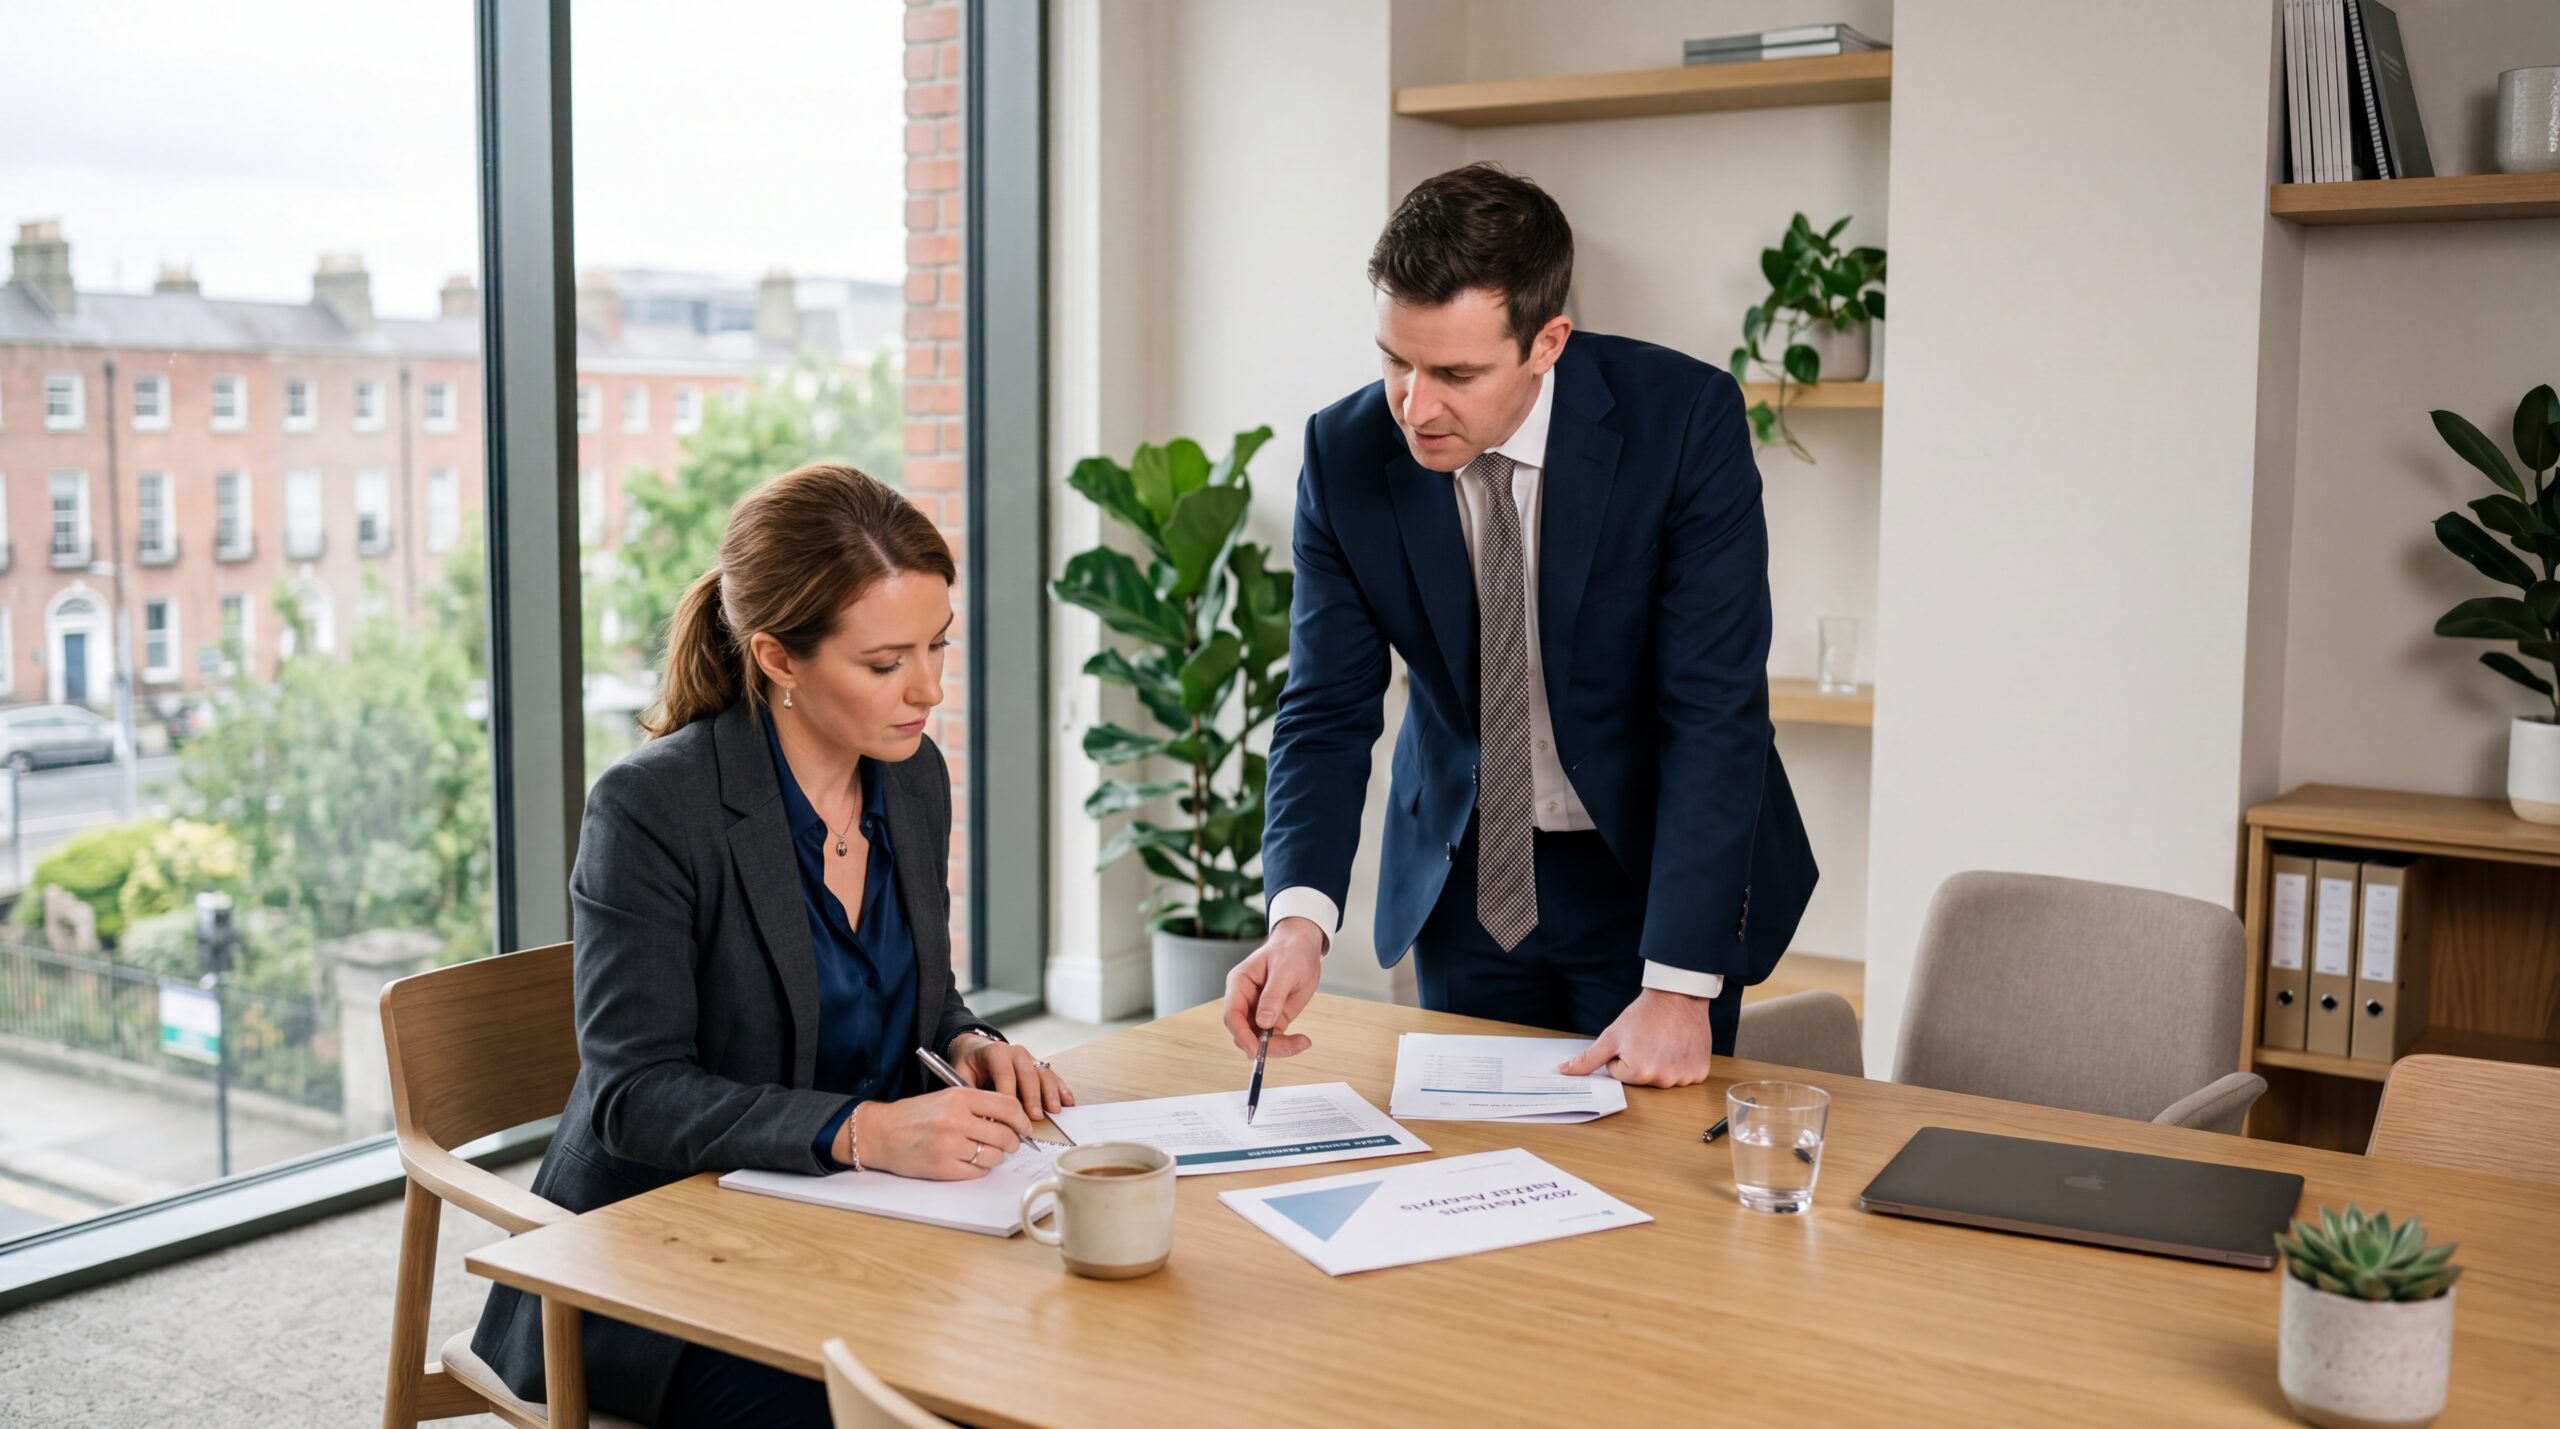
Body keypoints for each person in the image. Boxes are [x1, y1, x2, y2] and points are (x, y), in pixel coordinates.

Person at [472, 463, 1070, 1427]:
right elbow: (633, 1094)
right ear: (779, 658)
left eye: (938, 647)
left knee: (1052, 1350)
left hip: (856, 1220)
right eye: (885, 663)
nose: (928, 689)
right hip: (670, 1262)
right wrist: (863, 1130)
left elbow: (916, 992)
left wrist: (966, 1044)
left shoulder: (912, 778)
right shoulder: (652, 809)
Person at [1224, 163, 1817, 1087]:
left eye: (1456, 372)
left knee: (1654, 1194)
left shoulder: (1683, 423)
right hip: (1469, 880)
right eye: (1395, 361)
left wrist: (1679, 986)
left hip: (1652, 878)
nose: (1415, 406)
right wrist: (1299, 919)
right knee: (1466, 1172)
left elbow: (1715, 710)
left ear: (1548, 342)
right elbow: (1325, 709)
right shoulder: (1341, 456)